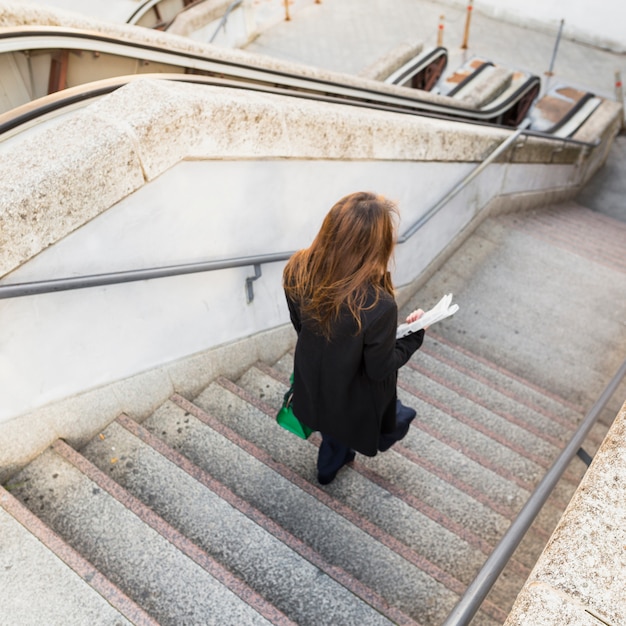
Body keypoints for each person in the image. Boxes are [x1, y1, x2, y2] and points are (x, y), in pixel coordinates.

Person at [283, 191, 426, 485]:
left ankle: (332, 464)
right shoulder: (378, 305)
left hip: (312, 380)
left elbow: (301, 326)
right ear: (378, 245)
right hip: (349, 394)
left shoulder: (297, 268)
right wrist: (414, 336)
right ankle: (333, 464)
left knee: (330, 428)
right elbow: (379, 367)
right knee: (344, 429)